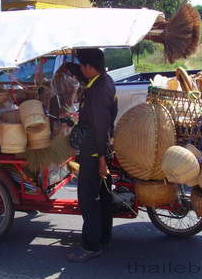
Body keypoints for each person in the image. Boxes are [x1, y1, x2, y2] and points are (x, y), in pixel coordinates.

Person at [67, 48, 118, 262]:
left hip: (94, 153)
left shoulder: (96, 91)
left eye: (81, 65)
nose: (80, 69)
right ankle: (103, 238)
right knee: (103, 197)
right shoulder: (105, 81)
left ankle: (91, 246)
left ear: (89, 67)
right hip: (103, 148)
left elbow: (99, 126)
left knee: (89, 199)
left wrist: (101, 160)